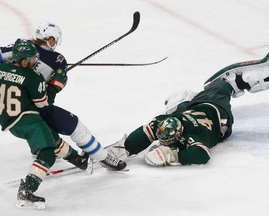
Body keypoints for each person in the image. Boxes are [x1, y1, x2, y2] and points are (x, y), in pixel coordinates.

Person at [0, 22, 126, 171]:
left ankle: (38, 147)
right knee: (76, 127)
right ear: (51, 40)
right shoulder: (58, 60)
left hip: (13, 110)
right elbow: (50, 96)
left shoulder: (19, 47)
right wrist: (58, 77)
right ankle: (104, 157)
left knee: (41, 126)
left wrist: (14, 63)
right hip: (37, 106)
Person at [106, 54, 269, 166]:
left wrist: (173, 156)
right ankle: (191, 97)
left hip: (216, 109)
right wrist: (126, 148)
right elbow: (147, 130)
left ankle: (252, 78)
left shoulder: (192, 134)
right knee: (176, 103)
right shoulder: (166, 123)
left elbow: (202, 155)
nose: (162, 141)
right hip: (211, 116)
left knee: (223, 84)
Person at [0, 40, 85, 208]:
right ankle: (26, 191)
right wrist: (55, 85)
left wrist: (10, 98)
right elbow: (44, 105)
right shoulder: (33, 77)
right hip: (28, 120)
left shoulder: (0, 70)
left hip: (9, 121)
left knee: (51, 137)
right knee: (48, 153)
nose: (34, 61)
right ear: (22, 60)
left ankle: (77, 159)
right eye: (30, 59)